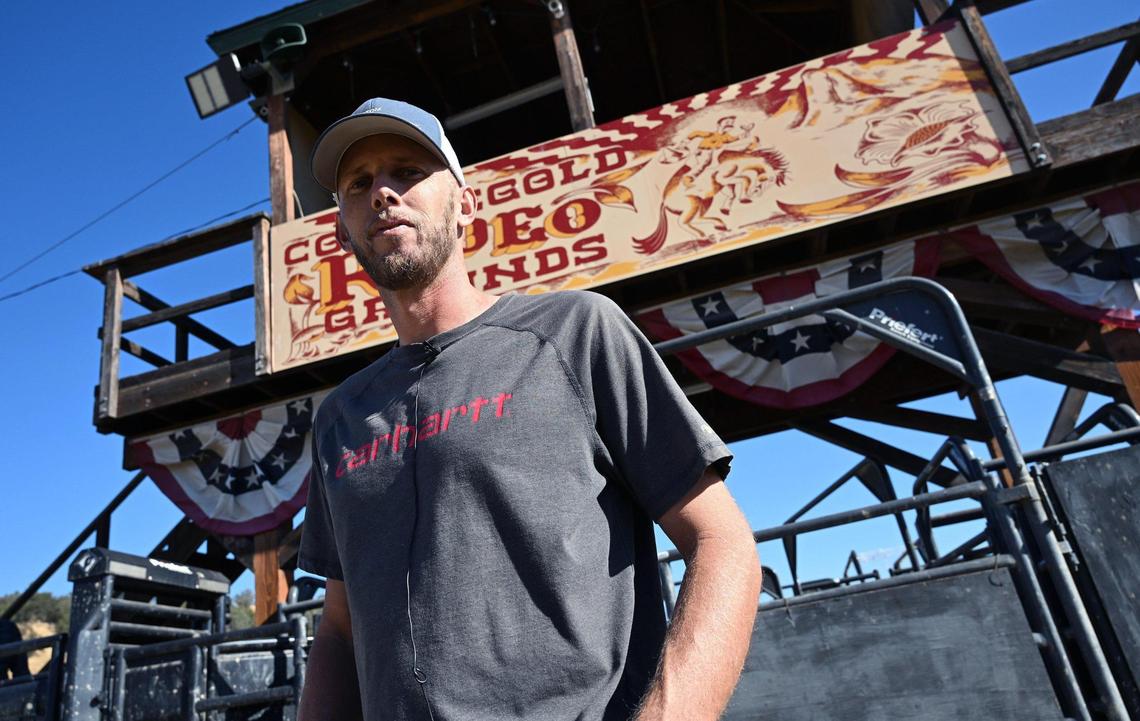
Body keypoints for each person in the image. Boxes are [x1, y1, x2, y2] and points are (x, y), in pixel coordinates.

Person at [297, 98, 761, 721]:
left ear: (465, 203)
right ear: (341, 230)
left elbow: (722, 541)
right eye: (359, 183)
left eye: (407, 171)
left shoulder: (575, 333)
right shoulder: (339, 419)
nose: (383, 193)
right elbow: (339, 628)